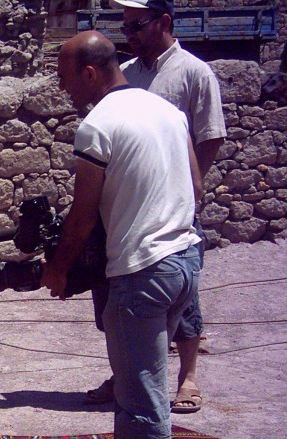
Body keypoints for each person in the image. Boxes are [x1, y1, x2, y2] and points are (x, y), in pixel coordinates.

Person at [43, 31, 202, 439]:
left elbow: (83, 213)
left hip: (142, 274)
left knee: (140, 396)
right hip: (185, 259)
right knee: (142, 381)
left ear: (90, 74)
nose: (66, 90)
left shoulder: (98, 125)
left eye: (67, 80)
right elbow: (196, 183)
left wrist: (59, 268)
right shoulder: (166, 111)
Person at [85, 0, 226, 414]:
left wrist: (187, 185)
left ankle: (188, 378)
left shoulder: (195, 72)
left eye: (137, 26)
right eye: (125, 27)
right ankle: (126, 372)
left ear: (164, 22)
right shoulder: (126, 75)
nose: (129, 35)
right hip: (129, 204)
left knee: (181, 294)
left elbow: (210, 135)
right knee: (117, 292)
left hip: (174, 202)